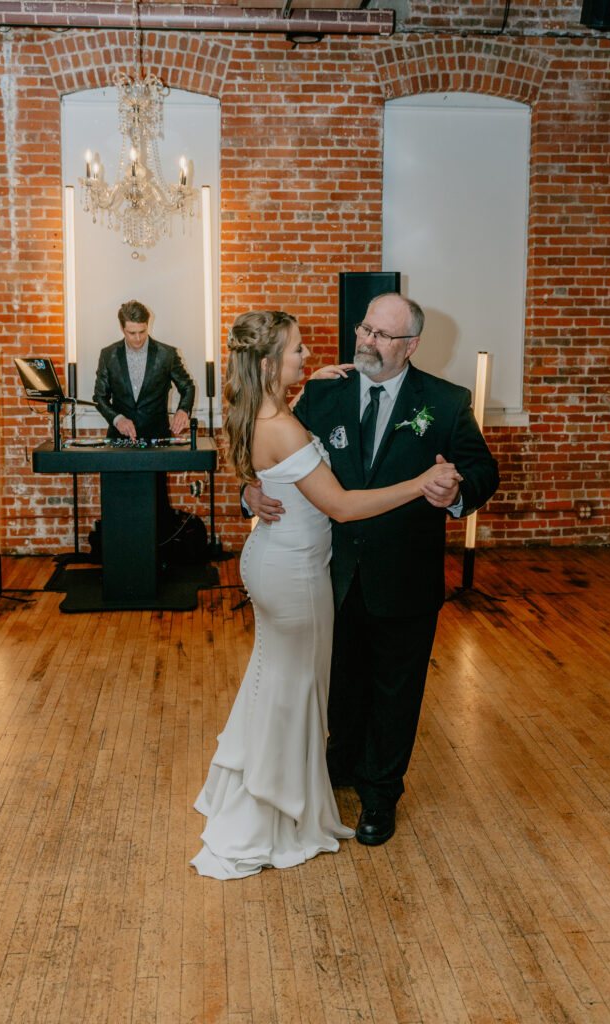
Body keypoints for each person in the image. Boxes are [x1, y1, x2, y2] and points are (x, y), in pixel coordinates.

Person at [190, 310, 459, 880]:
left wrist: (252, 480)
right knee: (296, 686)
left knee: (281, 680)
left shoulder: (277, 404)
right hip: (297, 569)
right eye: (296, 351)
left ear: (409, 345)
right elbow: (336, 503)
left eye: (378, 333)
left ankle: (288, 787)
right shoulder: (291, 417)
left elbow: (261, 456)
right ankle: (277, 805)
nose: (309, 356)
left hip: (298, 561)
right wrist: (419, 485)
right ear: (268, 363)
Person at [244, 292, 499, 846]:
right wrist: (250, 492)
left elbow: (482, 469)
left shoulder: (447, 401)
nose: (367, 341)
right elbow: (276, 460)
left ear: (410, 346)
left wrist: (457, 490)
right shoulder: (323, 392)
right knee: (341, 683)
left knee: (396, 690)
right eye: (365, 329)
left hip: (405, 574)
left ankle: (381, 793)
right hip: (328, 572)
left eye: (383, 336)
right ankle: (337, 771)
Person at [93, 299, 195, 442]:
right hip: (119, 440)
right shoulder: (108, 355)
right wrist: (118, 419)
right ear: (122, 329)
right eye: (132, 333)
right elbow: (99, 397)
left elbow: (188, 387)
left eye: (142, 331)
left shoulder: (167, 354)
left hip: (158, 438)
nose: (138, 338)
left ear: (147, 325)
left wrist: (183, 410)